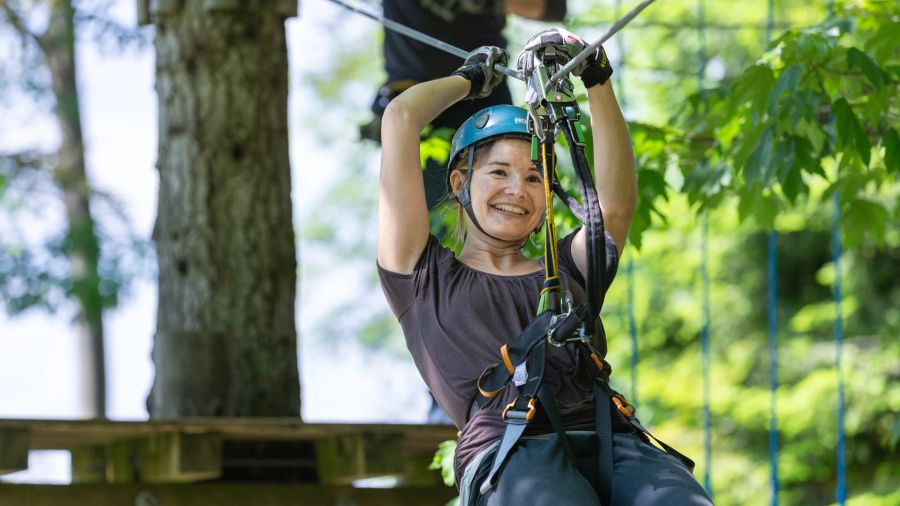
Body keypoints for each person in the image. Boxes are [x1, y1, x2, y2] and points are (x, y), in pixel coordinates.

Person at [377, 27, 713, 505]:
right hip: (508, 448)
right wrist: (471, 81)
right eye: (498, 172)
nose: (518, 189)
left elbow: (614, 208)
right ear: (459, 182)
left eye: (535, 176)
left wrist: (597, 80)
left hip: (612, 438)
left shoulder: (566, 270)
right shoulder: (422, 275)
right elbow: (401, 117)